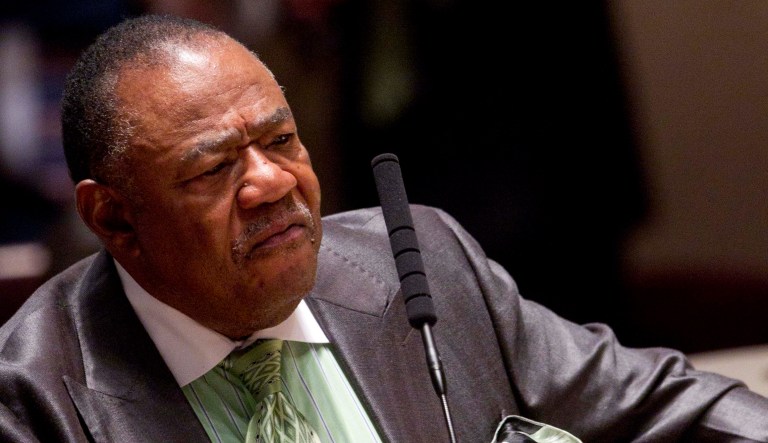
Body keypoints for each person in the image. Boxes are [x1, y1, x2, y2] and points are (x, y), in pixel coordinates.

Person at [0, 14, 766, 443]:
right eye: (213, 169)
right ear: (116, 217)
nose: (271, 183)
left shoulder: (420, 264)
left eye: (280, 140)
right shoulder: (34, 401)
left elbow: (670, 404)